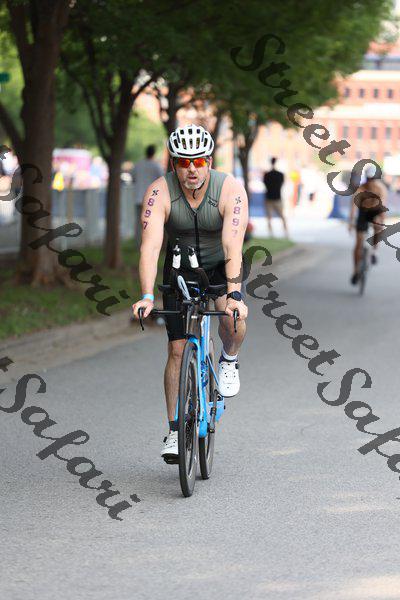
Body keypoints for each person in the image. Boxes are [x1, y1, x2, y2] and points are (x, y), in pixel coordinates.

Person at [131, 124, 249, 462]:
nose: (192, 169)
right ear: (174, 164)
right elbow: (150, 247)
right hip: (179, 268)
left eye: (198, 161)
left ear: (209, 161)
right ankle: (174, 430)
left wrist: (235, 296)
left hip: (220, 267)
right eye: (184, 162)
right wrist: (146, 296)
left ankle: (229, 361)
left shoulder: (229, 189)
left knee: (234, 320)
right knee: (176, 350)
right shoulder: (159, 191)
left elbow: (232, 246)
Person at [349, 164, 387, 285]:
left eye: (373, 179)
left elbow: (382, 209)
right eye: (369, 179)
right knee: (358, 243)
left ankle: (374, 251)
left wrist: (381, 223)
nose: (371, 181)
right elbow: (353, 207)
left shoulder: (380, 189)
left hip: (375, 211)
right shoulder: (361, 189)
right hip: (363, 213)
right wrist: (351, 222)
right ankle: (355, 271)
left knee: (378, 226)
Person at [131, 145, 163, 247]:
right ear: (153, 153)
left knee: (138, 223)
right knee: (151, 222)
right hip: (151, 200)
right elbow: (162, 180)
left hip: (138, 198)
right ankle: (149, 243)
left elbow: (133, 178)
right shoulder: (156, 166)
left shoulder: (138, 165)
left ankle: (138, 244)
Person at [263, 157, 288, 237]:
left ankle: (271, 233)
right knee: (282, 216)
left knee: (269, 217)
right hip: (277, 198)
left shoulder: (267, 174)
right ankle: (286, 232)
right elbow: (282, 184)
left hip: (269, 198)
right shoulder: (280, 175)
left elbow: (265, 184)